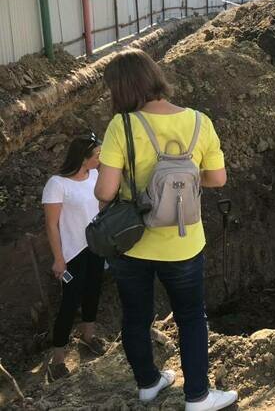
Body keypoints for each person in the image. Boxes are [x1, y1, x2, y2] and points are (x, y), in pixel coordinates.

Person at [94, 49, 237, 411]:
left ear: (122, 89)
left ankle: (148, 382)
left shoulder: (121, 126)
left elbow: (105, 192)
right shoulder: (199, 122)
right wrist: (184, 181)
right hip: (183, 243)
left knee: (136, 317)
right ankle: (198, 397)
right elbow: (218, 178)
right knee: (191, 317)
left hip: (133, 243)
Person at [42, 133, 106, 381]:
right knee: (69, 302)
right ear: (83, 157)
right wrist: (59, 259)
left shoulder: (96, 176)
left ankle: (87, 336)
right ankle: (57, 360)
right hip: (72, 254)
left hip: (95, 247)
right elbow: (51, 225)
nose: (101, 158)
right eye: (98, 154)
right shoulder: (57, 184)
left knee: (93, 292)